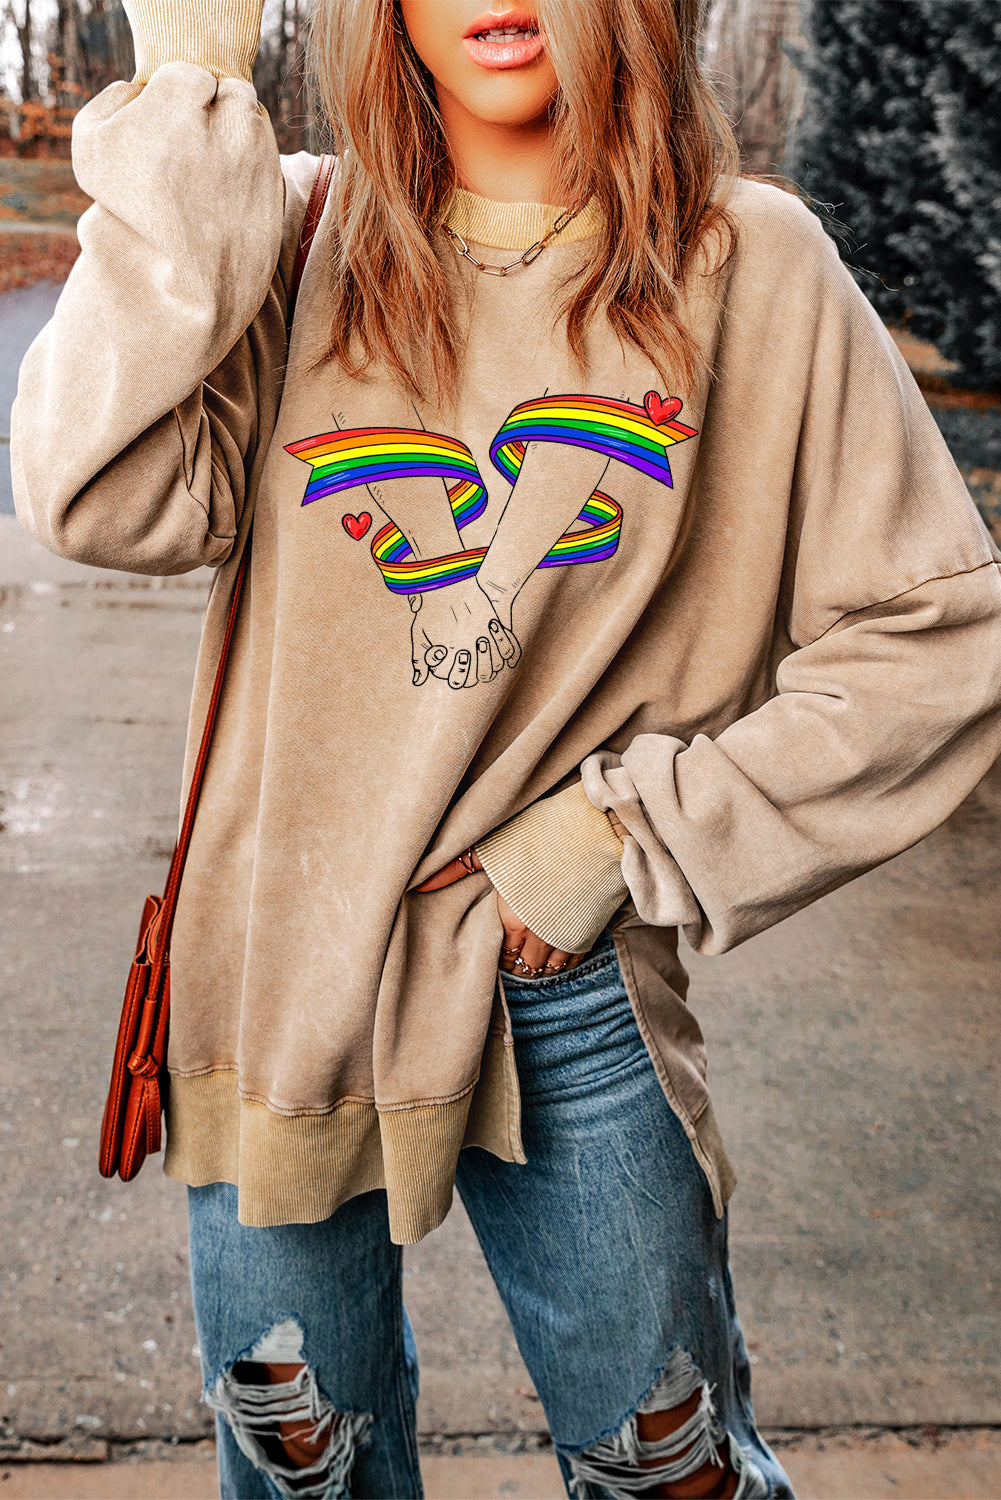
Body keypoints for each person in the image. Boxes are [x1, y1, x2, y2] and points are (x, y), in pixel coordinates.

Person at [12, 0, 1001, 1496]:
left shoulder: (750, 262)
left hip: (564, 985)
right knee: (307, 1477)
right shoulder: (286, 231)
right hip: (285, 975)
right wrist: (192, 97)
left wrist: (614, 840)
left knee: (668, 1472)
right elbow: (100, 494)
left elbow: (940, 638)